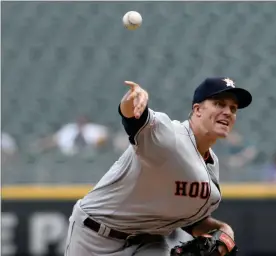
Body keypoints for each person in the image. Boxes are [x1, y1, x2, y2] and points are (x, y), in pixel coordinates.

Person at [64, 77, 252, 256]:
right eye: (219, 104)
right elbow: (133, 116)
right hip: (95, 234)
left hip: (149, 242)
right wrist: (132, 99)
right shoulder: (169, 136)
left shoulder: (211, 167)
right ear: (197, 110)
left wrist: (223, 230)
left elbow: (191, 220)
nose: (228, 112)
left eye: (233, 108)